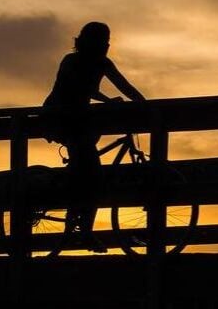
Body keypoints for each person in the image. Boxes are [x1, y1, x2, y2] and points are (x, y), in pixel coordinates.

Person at [43, 21, 145, 251]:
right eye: (102, 41)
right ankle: (85, 232)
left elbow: (124, 85)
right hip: (61, 118)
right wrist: (111, 102)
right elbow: (79, 90)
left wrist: (144, 105)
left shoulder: (102, 63)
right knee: (93, 177)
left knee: (86, 172)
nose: (106, 45)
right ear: (91, 42)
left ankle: (78, 224)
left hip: (79, 120)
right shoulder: (72, 62)